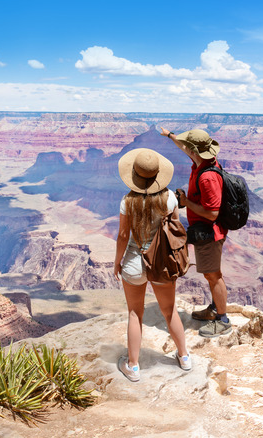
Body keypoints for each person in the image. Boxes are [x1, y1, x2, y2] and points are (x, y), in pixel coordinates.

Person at [114, 148, 192, 382]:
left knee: (135, 313)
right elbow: (174, 230)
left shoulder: (127, 201)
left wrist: (117, 263)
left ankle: (133, 366)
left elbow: (123, 235)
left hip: (134, 262)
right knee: (169, 312)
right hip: (162, 262)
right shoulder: (170, 198)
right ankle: (184, 357)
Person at [161, 127, 232, 338]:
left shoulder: (206, 177)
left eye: (190, 148)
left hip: (211, 233)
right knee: (210, 274)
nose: (187, 150)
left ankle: (222, 320)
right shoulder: (203, 162)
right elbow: (185, 148)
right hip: (204, 231)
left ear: (195, 150)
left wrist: (185, 202)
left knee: (213, 275)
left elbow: (212, 213)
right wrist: (170, 135)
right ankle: (214, 309)